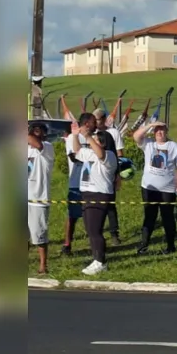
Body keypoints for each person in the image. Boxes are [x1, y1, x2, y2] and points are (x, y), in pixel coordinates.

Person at [71, 121, 119, 276]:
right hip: (86, 193)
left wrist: (88, 136)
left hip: (99, 194)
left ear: (103, 142)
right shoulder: (89, 152)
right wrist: (75, 135)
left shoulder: (109, 155)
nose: (93, 142)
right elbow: (77, 150)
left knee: (95, 230)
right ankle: (96, 259)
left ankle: (100, 262)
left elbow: (101, 154)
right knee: (90, 230)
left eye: (97, 140)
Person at [132, 121, 177, 255]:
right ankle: (144, 246)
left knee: (167, 217)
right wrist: (151, 125)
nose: (160, 133)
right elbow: (136, 136)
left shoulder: (174, 146)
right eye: (157, 130)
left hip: (167, 188)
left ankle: (170, 246)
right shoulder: (148, 144)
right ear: (153, 132)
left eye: (162, 130)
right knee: (149, 216)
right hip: (149, 188)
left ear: (166, 131)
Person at [93, 109, 125, 246]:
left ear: (104, 119)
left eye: (98, 120)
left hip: (109, 173)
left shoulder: (114, 133)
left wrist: (118, 175)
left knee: (110, 206)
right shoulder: (91, 135)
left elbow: (120, 155)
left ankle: (114, 234)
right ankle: (95, 233)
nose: (95, 122)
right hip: (94, 176)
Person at [27, 122, 55, 274]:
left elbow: (36, 144)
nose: (37, 134)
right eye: (34, 131)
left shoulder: (47, 147)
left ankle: (43, 265)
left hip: (38, 198)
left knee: (39, 234)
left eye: (40, 131)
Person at [61, 115, 89, 256]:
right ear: (86, 124)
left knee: (90, 215)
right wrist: (88, 156)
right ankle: (67, 245)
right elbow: (73, 156)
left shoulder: (93, 137)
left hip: (91, 184)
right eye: (92, 123)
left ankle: (94, 243)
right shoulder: (73, 137)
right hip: (76, 183)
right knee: (72, 216)